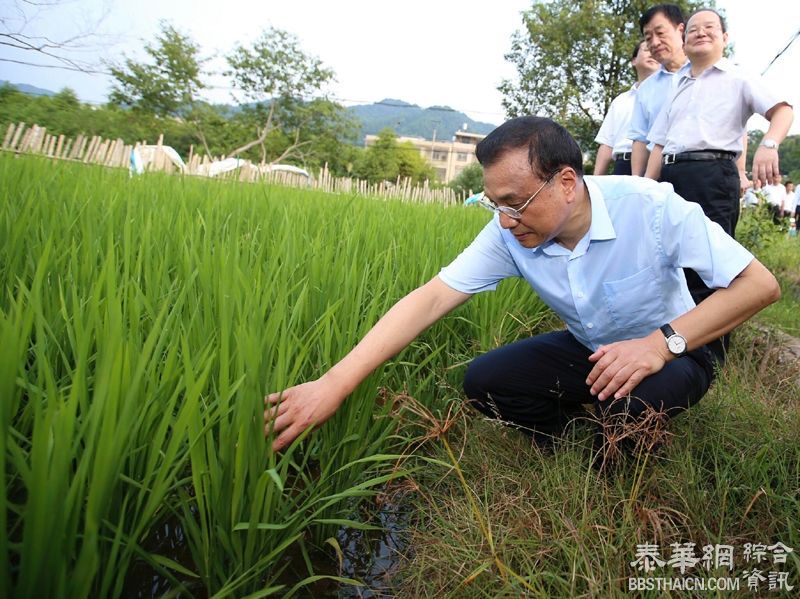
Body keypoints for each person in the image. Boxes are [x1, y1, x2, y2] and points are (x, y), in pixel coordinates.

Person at [264, 116, 780, 456]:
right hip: (593, 349)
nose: (506, 220)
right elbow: (432, 297)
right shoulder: (509, 232)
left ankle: (622, 442)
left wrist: (658, 344)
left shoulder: (652, 207)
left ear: (566, 182)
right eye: (495, 205)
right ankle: (570, 441)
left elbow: (759, 285)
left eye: (515, 202)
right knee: (484, 382)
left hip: (675, 350)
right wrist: (335, 381)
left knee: (628, 412)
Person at [644, 8, 793, 306]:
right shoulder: (677, 84)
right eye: (693, 29)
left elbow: (783, 111)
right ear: (684, 41)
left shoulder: (739, 77)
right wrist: (646, 186)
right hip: (670, 178)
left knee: (708, 264)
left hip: (711, 175)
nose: (700, 32)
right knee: (668, 259)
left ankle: (708, 350)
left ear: (724, 37)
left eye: (709, 27)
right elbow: (659, 142)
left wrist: (769, 144)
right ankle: (673, 340)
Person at [628, 4, 690, 176]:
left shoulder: (705, 73)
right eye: (648, 37)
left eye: (660, 33)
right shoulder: (646, 88)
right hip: (659, 174)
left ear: (680, 29)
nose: (654, 42)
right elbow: (640, 138)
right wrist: (637, 182)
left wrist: (741, 170)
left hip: (705, 171)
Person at [594, 41, 660, 176]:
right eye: (647, 49)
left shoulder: (669, 94)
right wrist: (594, 182)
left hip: (655, 165)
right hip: (622, 166)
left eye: (656, 51)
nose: (652, 53)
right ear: (634, 61)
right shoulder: (620, 101)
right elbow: (607, 143)